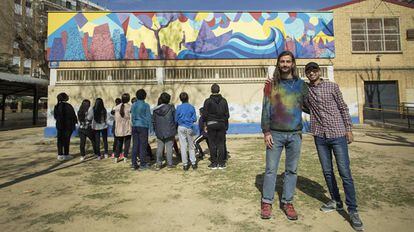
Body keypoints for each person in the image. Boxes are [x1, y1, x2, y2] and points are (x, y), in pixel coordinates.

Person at [304, 62, 364, 231]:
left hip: (338, 134)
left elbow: (343, 108)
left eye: (314, 70)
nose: (311, 73)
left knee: (345, 172)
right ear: (306, 74)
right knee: (327, 171)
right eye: (308, 71)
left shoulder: (332, 86)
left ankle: (353, 210)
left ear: (319, 71)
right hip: (320, 136)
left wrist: (349, 130)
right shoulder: (306, 91)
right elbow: (305, 106)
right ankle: (336, 201)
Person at [260, 51, 308, 220]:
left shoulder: (301, 85)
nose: (285, 64)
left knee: (291, 171)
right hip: (275, 134)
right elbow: (265, 108)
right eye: (282, 62)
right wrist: (266, 131)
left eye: (288, 61)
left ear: (293, 64)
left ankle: (287, 202)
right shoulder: (271, 84)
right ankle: (267, 202)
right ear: (278, 64)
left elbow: (309, 106)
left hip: (295, 134)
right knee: (270, 170)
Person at [203, 83, 229, 170]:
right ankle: (221, 163)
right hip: (221, 124)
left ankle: (214, 163)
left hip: (211, 124)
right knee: (221, 144)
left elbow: (205, 115)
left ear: (211, 91)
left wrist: (205, 124)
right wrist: (223, 122)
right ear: (219, 90)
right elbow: (227, 115)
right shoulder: (224, 101)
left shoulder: (207, 101)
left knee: (212, 144)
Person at [153, 92, 177, 170]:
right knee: (169, 147)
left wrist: (156, 129)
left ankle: (158, 164)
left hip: (159, 131)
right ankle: (169, 165)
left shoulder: (155, 109)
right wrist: (175, 128)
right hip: (170, 130)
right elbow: (175, 119)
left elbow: (153, 121)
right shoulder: (171, 108)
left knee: (160, 147)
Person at [175, 92, 197, 171]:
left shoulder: (178, 107)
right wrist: (189, 121)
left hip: (181, 127)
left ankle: (185, 164)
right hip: (189, 127)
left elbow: (176, 119)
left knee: (183, 146)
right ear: (187, 98)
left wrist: (182, 121)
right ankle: (193, 163)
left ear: (180, 99)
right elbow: (194, 119)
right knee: (191, 146)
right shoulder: (191, 107)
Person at [131, 89, 151, 170]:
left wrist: (134, 123)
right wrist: (150, 128)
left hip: (135, 126)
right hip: (143, 126)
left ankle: (133, 163)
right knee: (143, 145)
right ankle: (143, 164)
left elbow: (132, 117)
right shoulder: (146, 105)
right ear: (145, 96)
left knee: (135, 145)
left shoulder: (133, 105)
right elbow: (148, 117)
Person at [53, 92, 77, 161]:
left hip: (60, 126)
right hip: (68, 126)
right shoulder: (68, 106)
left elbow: (55, 116)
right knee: (66, 140)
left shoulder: (56, 106)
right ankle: (66, 154)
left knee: (60, 140)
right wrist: (74, 124)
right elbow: (73, 116)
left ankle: (60, 154)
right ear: (65, 98)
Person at [113, 93, 132, 163]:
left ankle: (116, 157)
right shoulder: (130, 107)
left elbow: (113, 116)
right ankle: (125, 157)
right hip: (127, 128)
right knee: (127, 143)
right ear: (128, 99)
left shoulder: (116, 107)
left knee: (119, 143)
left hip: (118, 128)